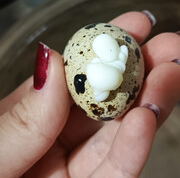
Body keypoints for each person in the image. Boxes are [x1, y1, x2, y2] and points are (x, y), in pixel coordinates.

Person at [0, 11, 179, 178]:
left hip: (109, 77)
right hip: (105, 79)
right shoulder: (110, 60)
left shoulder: (117, 56)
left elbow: (122, 56)